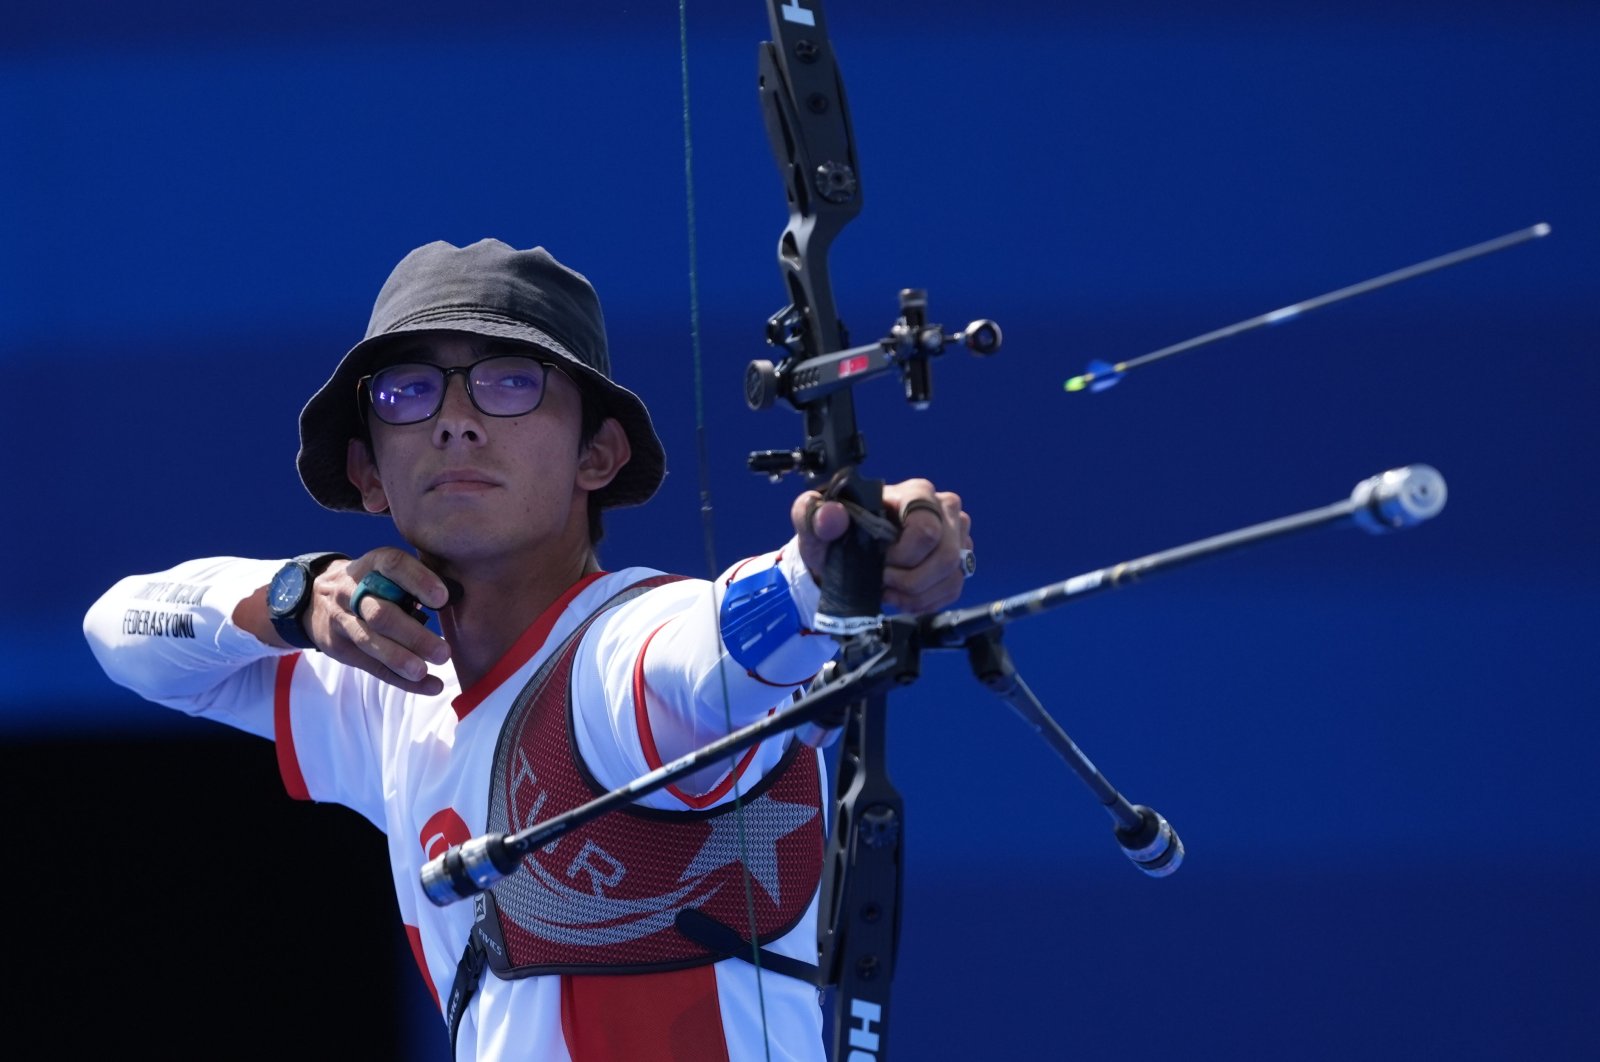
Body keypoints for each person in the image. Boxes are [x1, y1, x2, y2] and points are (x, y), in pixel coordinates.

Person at [82, 238, 974, 1062]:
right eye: (408, 391)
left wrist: (832, 572)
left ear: (599, 454)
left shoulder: (628, 645)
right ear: (367, 471)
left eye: (510, 383)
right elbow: (120, 632)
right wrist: (293, 601)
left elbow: (713, 654)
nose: (456, 422)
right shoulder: (391, 684)